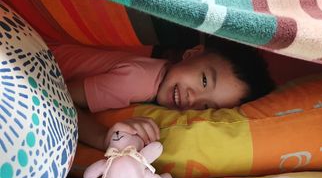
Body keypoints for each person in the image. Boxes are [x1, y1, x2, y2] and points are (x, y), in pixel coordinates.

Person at [51, 36, 274, 151]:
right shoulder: (139, 80)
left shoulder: (157, 69)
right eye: (204, 80)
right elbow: (58, 96)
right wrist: (103, 138)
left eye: (207, 107)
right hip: (32, 62)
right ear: (191, 53)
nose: (193, 99)